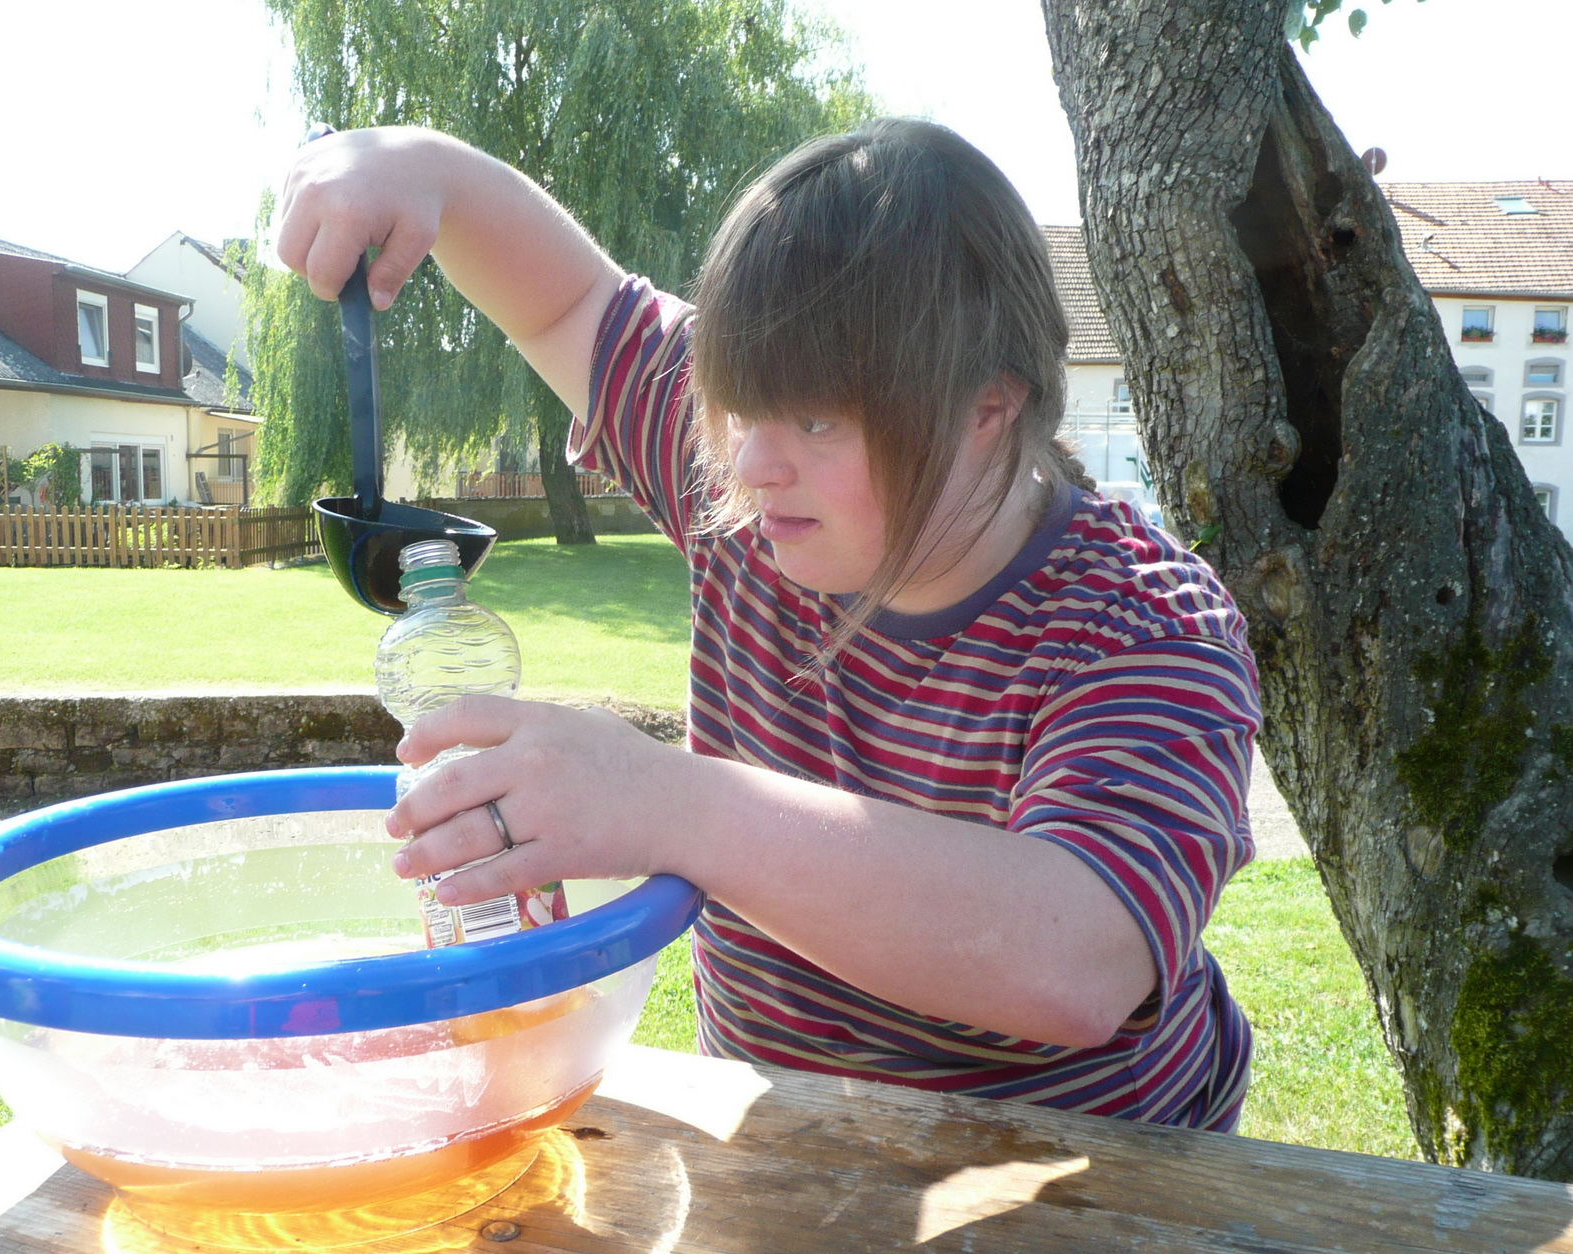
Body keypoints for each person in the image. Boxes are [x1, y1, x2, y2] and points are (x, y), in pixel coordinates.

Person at [277, 118, 1260, 1130]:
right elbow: (569, 301)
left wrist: (666, 802)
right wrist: (424, 167)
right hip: (786, 1139)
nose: (749, 465)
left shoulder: (1142, 625)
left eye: (818, 421)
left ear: (986, 409)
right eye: (740, 409)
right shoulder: (754, 498)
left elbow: (1078, 958)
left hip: (1091, 1180)